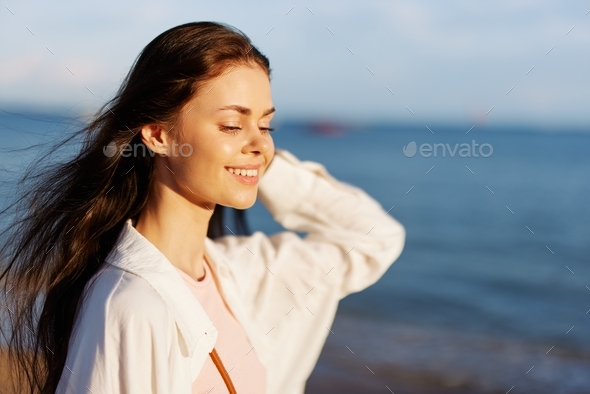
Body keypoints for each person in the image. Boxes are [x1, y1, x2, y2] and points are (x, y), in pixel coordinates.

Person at [0, 21, 405, 394]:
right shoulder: (131, 304)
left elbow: (374, 236)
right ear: (158, 136)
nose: (261, 142)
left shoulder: (246, 275)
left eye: (266, 125)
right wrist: (239, 158)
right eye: (232, 124)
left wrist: (253, 160)